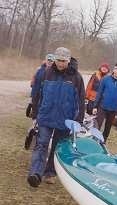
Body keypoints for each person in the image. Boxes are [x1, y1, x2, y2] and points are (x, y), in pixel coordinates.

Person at [27, 47, 85, 187]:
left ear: (68, 60)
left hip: (65, 120)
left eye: (63, 61)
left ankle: (50, 173)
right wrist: (35, 114)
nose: (60, 63)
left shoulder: (76, 77)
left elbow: (81, 101)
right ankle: (36, 173)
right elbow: (38, 95)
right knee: (41, 144)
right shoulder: (47, 73)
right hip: (46, 117)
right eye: (58, 60)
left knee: (56, 148)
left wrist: (78, 122)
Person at [26, 53, 55, 118]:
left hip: (46, 94)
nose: (49, 62)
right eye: (48, 60)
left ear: (54, 62)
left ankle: (39, 122)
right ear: (46, 60)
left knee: (42, 109)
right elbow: (33, 79)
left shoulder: (54, 71)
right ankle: (34, 122)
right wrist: (31, 95)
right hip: (36, 92)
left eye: (51, 61)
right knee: (34, 109)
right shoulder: (39, 69)